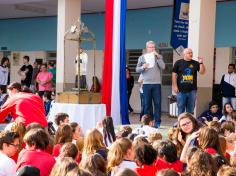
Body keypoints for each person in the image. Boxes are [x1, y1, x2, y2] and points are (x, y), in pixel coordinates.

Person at [136, 41, 165, 128]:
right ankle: (148, 122)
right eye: (150, 47)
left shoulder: (158, 57)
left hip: (156, 84)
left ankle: (157, 122)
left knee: (157, 103)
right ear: (146, 48)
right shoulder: (142, 57)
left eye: (153, 47)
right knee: (147, 104)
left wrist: (158, 57)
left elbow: (163, 67)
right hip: (146, 84)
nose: (152, 49)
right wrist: (143, 67)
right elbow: (137, 69)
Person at [172, 48, 206, 115]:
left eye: (191, 52)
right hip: (180, 90)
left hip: (192, 90)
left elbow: (202, 72)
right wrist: (175, 86)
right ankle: (180, 124)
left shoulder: (195, 63)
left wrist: (201, 62)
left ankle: (189, 123)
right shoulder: (178, 63)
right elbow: (174, 75)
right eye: (189, 53)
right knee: (180, 109)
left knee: (190, 110)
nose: (191, 54)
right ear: (184, 54)